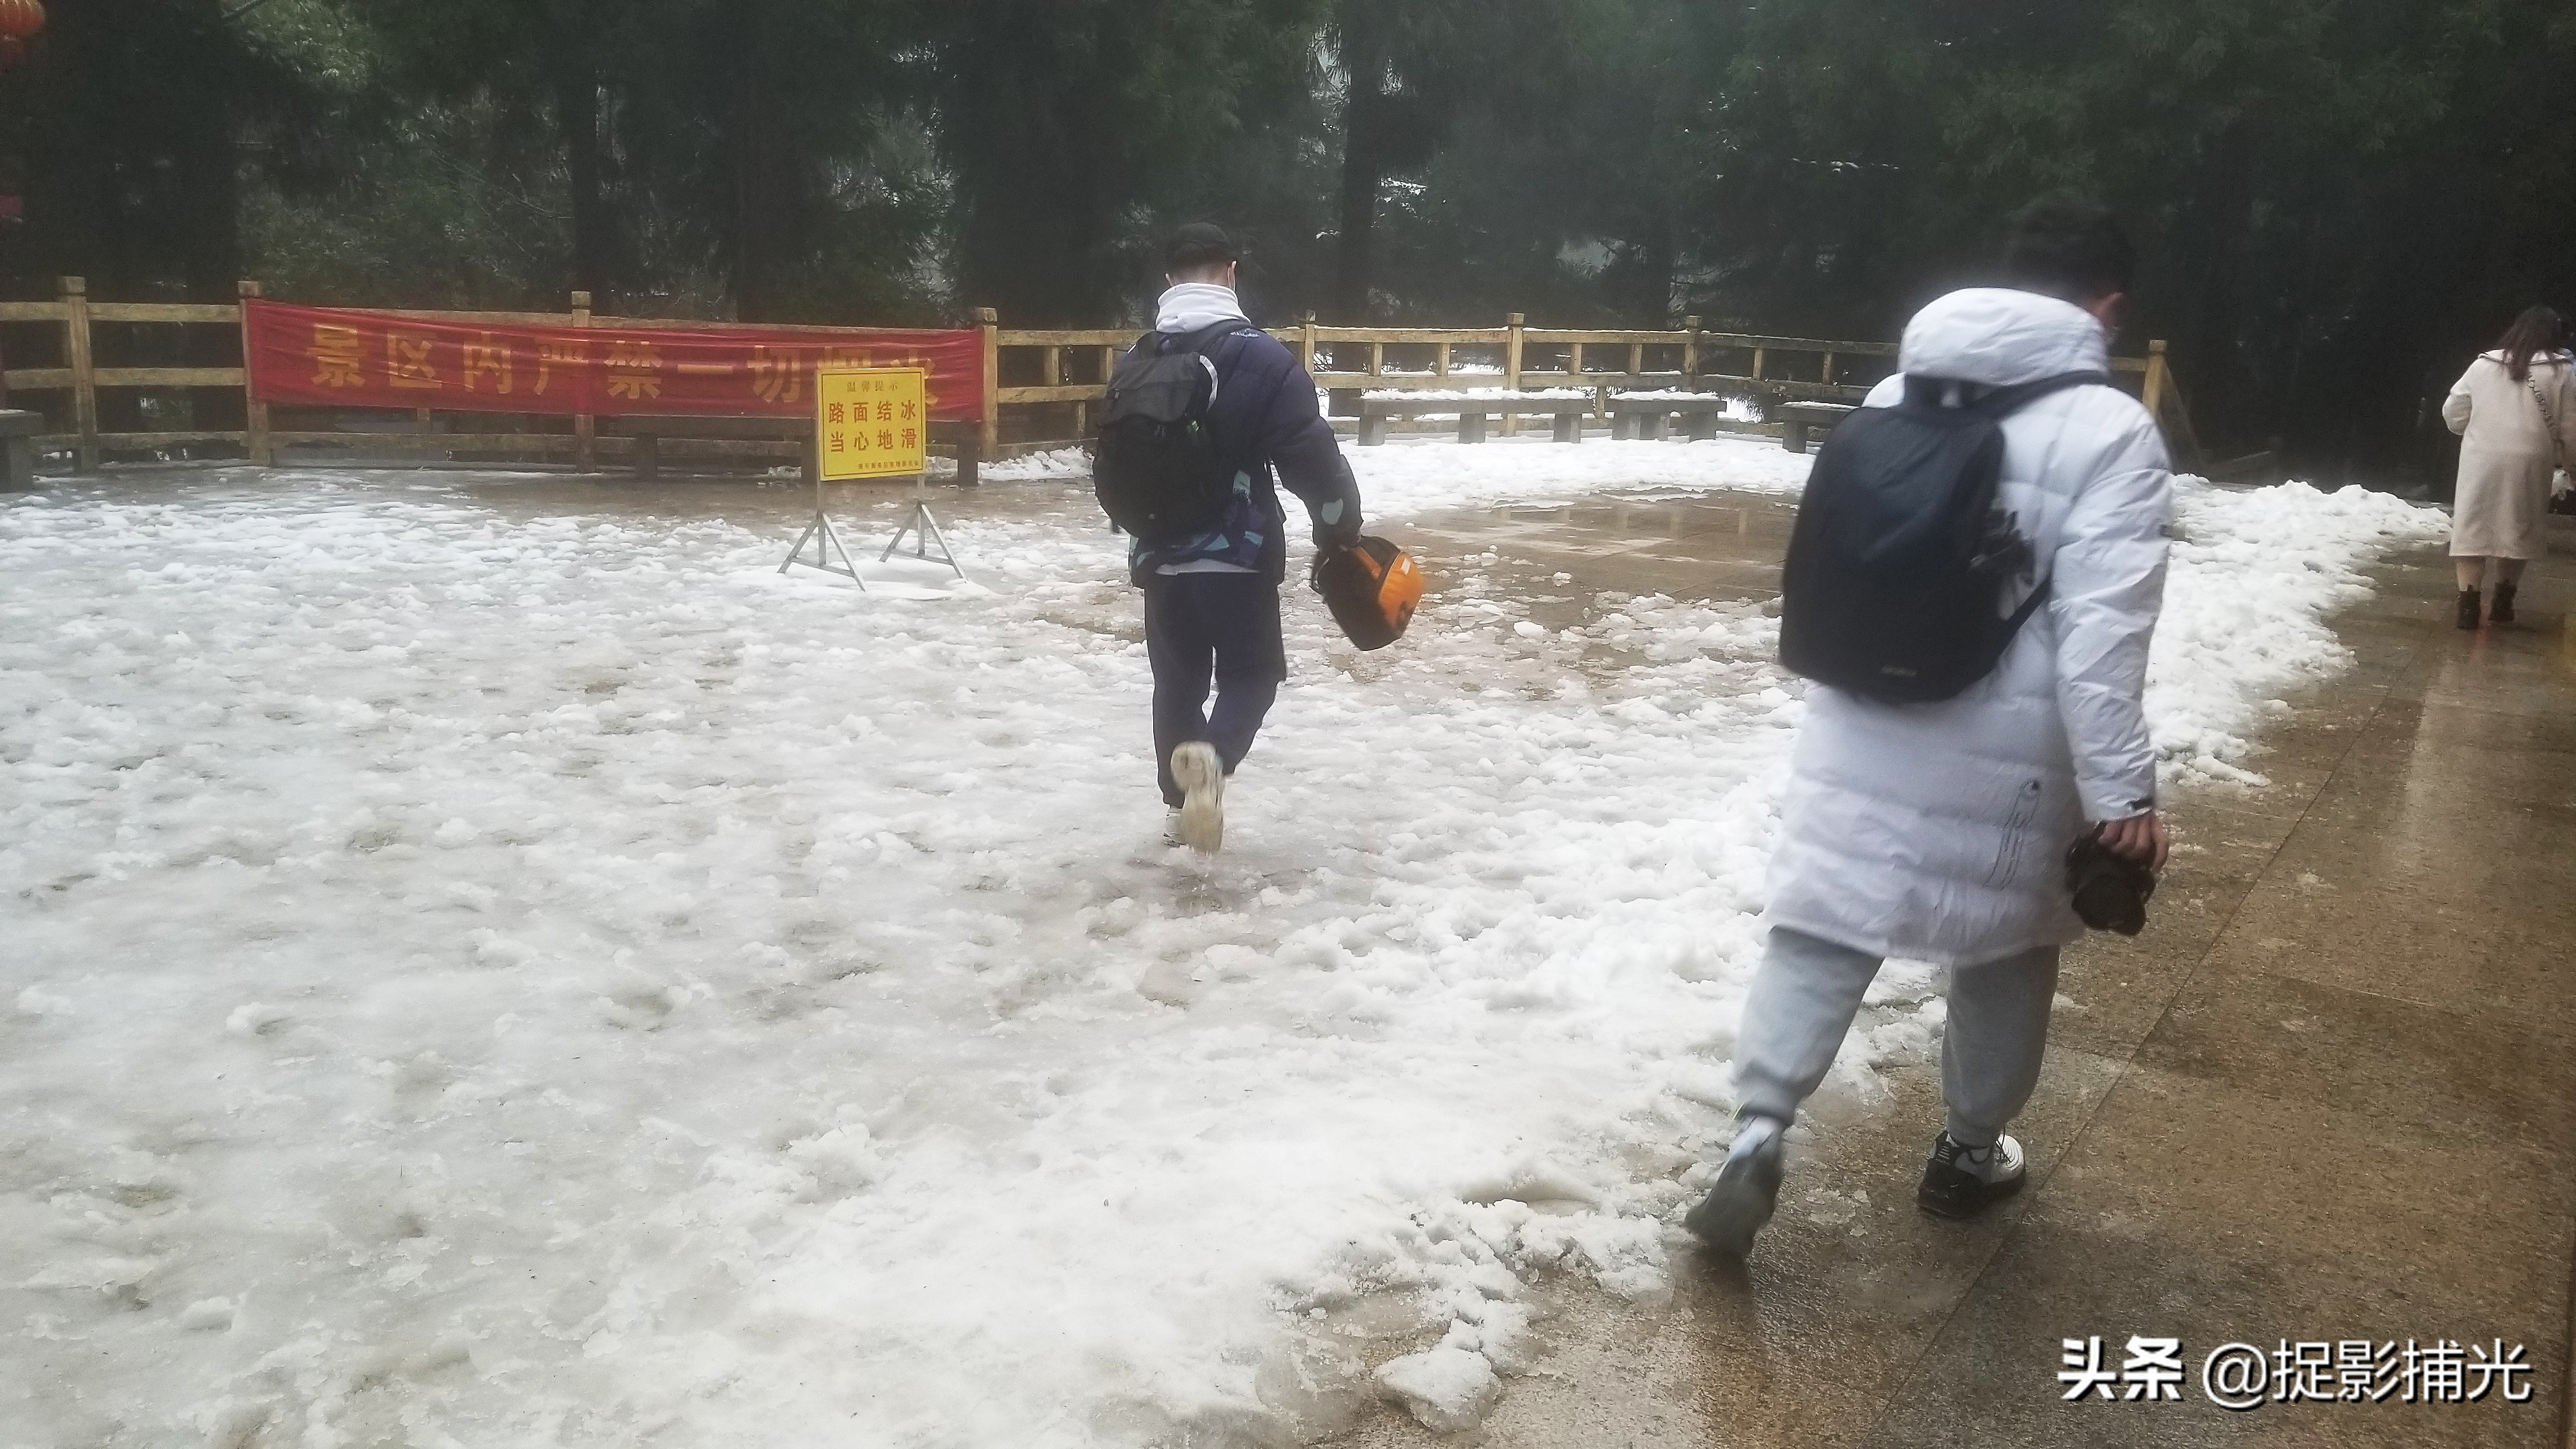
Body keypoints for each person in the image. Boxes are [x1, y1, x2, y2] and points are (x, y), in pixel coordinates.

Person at [1686, 199, 2174, 1259]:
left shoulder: (1895, 392)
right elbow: (2102, 639)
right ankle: (1966, 1150)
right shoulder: (2112, 431)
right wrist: (2123, 797)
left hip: (1863, 709)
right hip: (2011, 751)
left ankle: (1757, 1131)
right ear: (2106, 304)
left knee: (1822, 920)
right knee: (2007, 945)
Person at [1124, 223, 1363, 852]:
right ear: (1230, 272)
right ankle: (1214, 759)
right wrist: (1340, 527)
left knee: (1176, 683)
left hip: (1159, 557)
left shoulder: (1139, 357)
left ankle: (1181, 811)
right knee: (1252, 676)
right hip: (1237, 555)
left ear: (1171, 279)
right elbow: (1311, 459)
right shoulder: (1260, 357)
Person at [2441, 306, 2575, 629]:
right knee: (2519, 527)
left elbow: (2453, 412)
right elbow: (2571, 428)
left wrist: (2471, 430)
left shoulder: (2483, 365)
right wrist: (2570, 464)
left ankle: (2469, 606)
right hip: (2532, 459)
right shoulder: (2562, 372)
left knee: (2474, 528)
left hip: (2481, 457)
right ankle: (2503, 601)